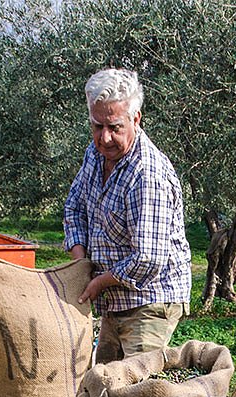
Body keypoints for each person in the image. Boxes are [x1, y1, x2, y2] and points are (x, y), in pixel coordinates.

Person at [63, 68, 191, 364]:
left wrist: (97, 283)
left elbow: (148, 259)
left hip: (151, 298)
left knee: (136, 390)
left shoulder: (147, 175)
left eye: (115, 127)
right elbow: (74, 207)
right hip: (115, 298)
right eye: (97, 126)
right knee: (104, 379)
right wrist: (81, 263)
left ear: (136, 119)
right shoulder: (95, 155)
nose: (105, 137)